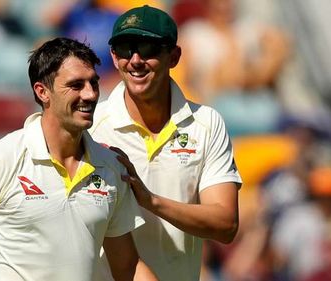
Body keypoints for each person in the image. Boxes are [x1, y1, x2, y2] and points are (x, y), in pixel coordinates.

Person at [0, 37, 154, 281]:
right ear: (42, 92)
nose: (90, 95)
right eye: (76, 85)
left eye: (93, 83)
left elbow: (128, 268)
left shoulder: (111, 165)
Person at [89, 5, 242, 280]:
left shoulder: (206, 124)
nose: (135, 60)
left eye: (148, 48)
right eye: (125, 48)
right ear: (113, 55)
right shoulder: (90, 125)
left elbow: (226, 224)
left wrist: (152, 202)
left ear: (174, 56)